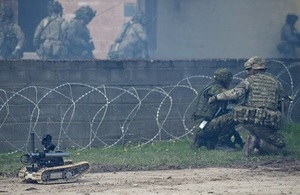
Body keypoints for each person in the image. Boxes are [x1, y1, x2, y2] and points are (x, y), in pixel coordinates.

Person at [209, 57, 288, 156]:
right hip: (268, 121)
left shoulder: (249, 81)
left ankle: (255, 142)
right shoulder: (276, 82)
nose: (247, 72)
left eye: (248, 69)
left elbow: (235, 93)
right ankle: (256, 142)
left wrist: (216, 97)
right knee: (281, 146)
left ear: (255, 69)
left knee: (280, 145)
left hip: (250, 120)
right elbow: (284, 101)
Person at [192, 68, 244, 150]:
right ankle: (221, 144)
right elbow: (231, 95)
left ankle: (206, 140)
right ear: (225, 80)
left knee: (226, 118)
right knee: (234, 116)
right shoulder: (214, 89)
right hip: (205, 127)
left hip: (203, 125)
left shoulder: (209, 88)